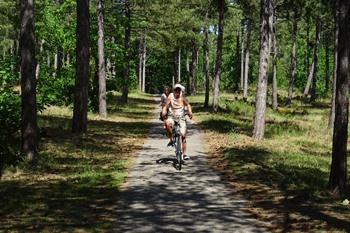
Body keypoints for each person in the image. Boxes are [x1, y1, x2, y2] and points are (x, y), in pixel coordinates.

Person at [162, 84, 193, 160]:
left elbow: (188, 105)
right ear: (174, 91)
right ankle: (171, 140)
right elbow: (166, 107)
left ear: (180, 91)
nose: (177, 92)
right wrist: (164, 113)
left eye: (179, 90)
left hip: (181, 118)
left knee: (183, 136)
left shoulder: (183, 98)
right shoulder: (170, 97)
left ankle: (184, 154)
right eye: (176, 90)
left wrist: (190, 112)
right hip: (172, 117)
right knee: (167, 123)